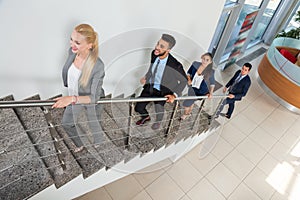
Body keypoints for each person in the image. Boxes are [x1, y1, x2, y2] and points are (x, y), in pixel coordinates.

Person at [52, 24, 105, 152]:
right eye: (71, 39)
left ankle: (98, 140)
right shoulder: (72, 52)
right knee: (67, 123)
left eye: (77, 42)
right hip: (74, 97)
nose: (72, 44)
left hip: (89, 99)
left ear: (90, 45)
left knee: (94, 122)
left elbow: (94, 97)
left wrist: (71, 99)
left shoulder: (97, 66)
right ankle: (80, 143)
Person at [135, 34, 187, 130]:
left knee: (159, 110)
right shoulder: (154, 54)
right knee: (138, 108)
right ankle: (146, 117)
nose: (157, 47)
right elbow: (152, 68)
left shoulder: (175, 65)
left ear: (168, 50)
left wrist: (174, 95)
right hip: (150, 86)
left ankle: (158, 121)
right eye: (158, 43)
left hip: (162, 92)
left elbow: (184, 81)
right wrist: (146, 76)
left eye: (161, 46)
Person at [181, 52, 215, 120]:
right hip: (192, 88)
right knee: (191, 100)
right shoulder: (195, 64)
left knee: (186, 104)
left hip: (201, 92)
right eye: (203, 59)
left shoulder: (211, 71)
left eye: (207, 60)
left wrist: (211, 93)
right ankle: (189, 112)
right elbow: (188, 73)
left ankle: (185, 114)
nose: (204, 61)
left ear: (210, 62)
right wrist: (189, 79)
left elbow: (212, 83)